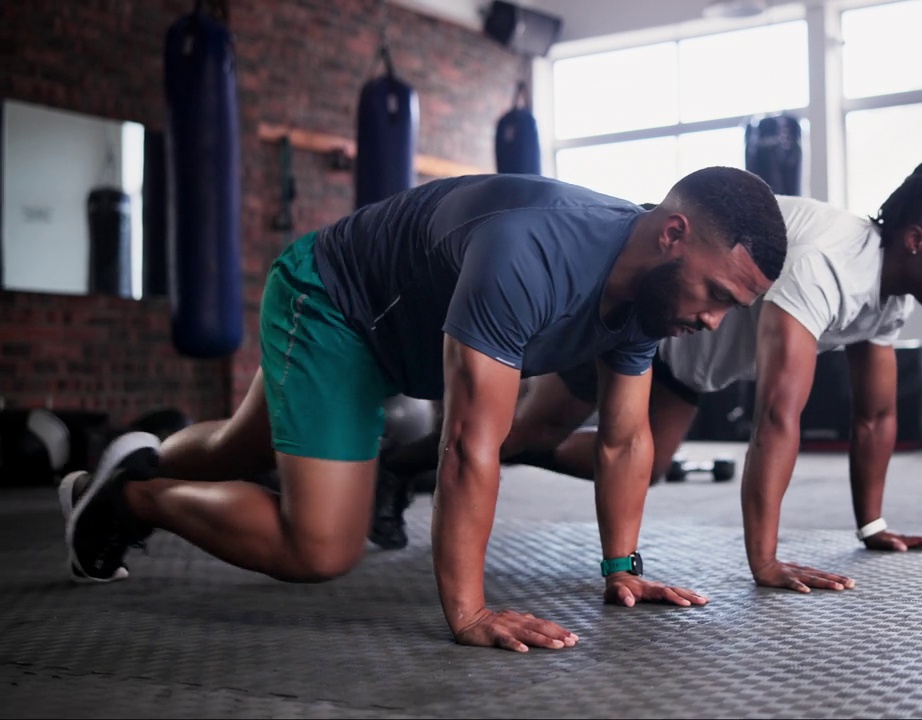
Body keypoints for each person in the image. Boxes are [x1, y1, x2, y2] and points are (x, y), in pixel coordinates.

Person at [59, 167, 789, 653]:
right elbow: (472, 444)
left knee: (236, 454)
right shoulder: (534, 250)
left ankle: (127, 465)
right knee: (320, 545)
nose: (716, 322)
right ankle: (129, 500)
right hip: (334, 305)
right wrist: (468, 610)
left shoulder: (651, 296)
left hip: (400, 344)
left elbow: (626, 441)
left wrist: (622, 565)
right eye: (719, 296)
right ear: (672, 237)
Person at [377, 156, 922, 593]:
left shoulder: (890, 300)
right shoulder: (830, 264)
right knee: (518, 436)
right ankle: (400, 467)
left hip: (691, 362)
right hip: (653, 313)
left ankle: (431, 463)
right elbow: (778, 414)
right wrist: (767, 562)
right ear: (916, 240)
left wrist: (873, 526)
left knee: (641, 459)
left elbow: (875, 416)